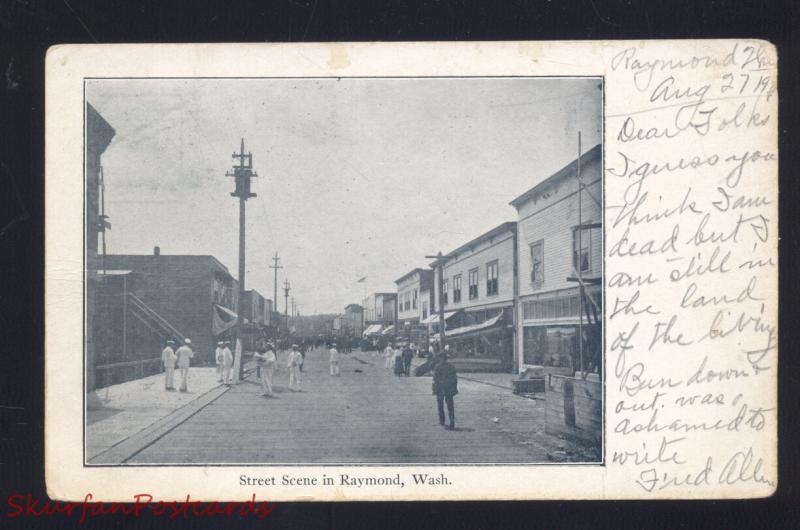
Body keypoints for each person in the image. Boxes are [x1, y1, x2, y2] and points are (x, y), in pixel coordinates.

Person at [432, 351, 458, 430]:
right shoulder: (451, 366)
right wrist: (454, 388)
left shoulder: (437, 367)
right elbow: (455, 379)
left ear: (441, 358)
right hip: (449, 388)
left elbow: (435, 379)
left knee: (440, 405)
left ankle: (442, 420)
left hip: (440, 388)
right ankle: (452, 421)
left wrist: (434, 389)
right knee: (450, 406)